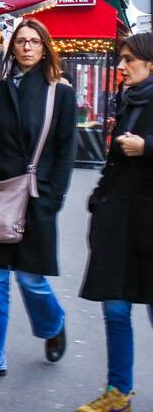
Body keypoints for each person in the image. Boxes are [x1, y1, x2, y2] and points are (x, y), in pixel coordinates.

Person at [0, 18, 76, 382]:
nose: (27, 47)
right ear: (12, 48)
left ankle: (53, 322)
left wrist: (53, 197)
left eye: (34, 42)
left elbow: (65, 150)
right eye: (21, 41)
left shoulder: (60, 93)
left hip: (35, 198)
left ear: (44, 48)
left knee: (30, 280)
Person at [76, 32, 153, 412]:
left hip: (149, 227)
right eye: (120, 59)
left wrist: (148, 146)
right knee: (116, 309)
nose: (120, 67)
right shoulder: (128, 100)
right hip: (117, 223)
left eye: (128, 60)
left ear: (150, 63)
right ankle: (118, 393)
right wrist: (99, 201)